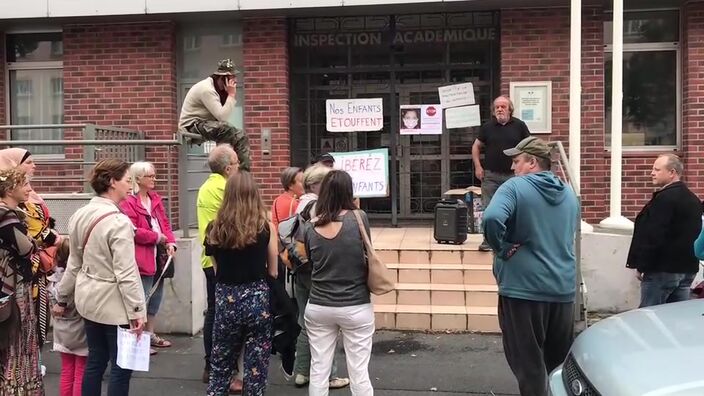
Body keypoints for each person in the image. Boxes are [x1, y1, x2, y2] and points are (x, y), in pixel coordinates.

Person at [483, 136, 579, 396]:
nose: (513, 168)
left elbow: (491, 218)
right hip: (562, 289)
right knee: (557, 367)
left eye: (516, 161)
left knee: (529, 366)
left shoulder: (514, 187)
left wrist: (500, 248)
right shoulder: (570, 193)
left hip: (523, 290)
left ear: (532, 162)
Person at [54, 159, 146, 396]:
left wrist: (62, 297)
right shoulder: (119, 222)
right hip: (115, 305)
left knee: (95, 360)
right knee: (121, 366)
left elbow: (74, 262)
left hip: (87, 299)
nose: (131, 186)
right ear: (112, 182)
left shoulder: (80, 214)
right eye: (127, 180)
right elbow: (126, 272)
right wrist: (137, 311)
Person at [204, 171, 278, 396]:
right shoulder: (265, 228)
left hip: (227, 298)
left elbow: (216, 270)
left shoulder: (214, 228)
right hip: (257, 298)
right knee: (256, 368)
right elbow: (273, 271)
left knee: (221, 363)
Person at [303, 170, 374, 396]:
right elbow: (367, 252)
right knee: (359, 371)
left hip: (319, 305)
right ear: (348, 192)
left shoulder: (310, 226)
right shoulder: (359, 218)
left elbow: (311, 261)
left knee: (319, 368)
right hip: (356, 304)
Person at [292, 164, 350, 390]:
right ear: (317, 184)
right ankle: (330, 375)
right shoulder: (317, 206)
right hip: (316, 271)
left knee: (306, 323)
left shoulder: (300, 203)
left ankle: (301, 371)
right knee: (326, 328)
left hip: (299, 269)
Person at [0, 148, 60, 347]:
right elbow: (29, 241)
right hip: (18, 277)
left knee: (32, 326)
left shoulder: (26, 198)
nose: (34, 166)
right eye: (28, 162)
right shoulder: (9, 211)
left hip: (33, 272)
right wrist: (54, 240)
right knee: (19, 332)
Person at [196, 144, 244, 392]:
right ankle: (220, 369)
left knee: (214, 312)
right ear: (228, 168)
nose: (239, 167)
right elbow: (239, 218)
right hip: (222, 261)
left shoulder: (207, 186)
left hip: (209, 258)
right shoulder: (224, 187)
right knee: (222, 316)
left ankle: (211, 366)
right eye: (237, 163)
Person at [627, 154, 702, 308]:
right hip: (687, 269)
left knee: (649, 317)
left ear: (672, 172)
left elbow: (654, 234)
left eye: (657, 169)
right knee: (676, 320)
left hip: (662, 270)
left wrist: (642, 265)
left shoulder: (664, 199)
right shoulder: (693, 199)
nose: (652, 172)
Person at [120, 161, 177, 354]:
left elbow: (165, 224)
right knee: (141, 297)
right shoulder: (128, 202)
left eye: (154, 175)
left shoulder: (155, 199)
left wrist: (170, 241)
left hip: (159, 256)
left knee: (156, 297)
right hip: (143, 256)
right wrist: (157, 237)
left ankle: (149, 334)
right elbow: (134, 231)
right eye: (150, 176)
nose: (154, 179)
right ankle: (139, 337)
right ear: (138, 179)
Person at [0, 168, 41, 395]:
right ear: (9, 188)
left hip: (6, 286)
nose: (29, 189)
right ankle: (17, 389)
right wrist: (34, 242)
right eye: (24, 184)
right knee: (17, 341)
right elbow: (26, 249)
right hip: (15, 289)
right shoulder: (8, 217)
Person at [472, 96, 531, 251]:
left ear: (509, 109)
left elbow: (529, 147)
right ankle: (488, 241)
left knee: (513, 208)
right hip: (490, 176)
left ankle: (510, 240)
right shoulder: (487, 127)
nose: (499, 109)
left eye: (503, 107)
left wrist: (524, 168)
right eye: (497, 107)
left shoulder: (519, 126)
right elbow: (476, 146)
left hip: (513, 176)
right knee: (489, 209)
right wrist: (478, 166)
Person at [179, 58, 251, 171]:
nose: (235, 82)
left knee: (241, 136)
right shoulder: (207, 89)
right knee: (226, 128)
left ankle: (243, 174)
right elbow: (222, 116)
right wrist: (231, 95)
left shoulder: (219, 90)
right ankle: (225, 168)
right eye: (231, 78)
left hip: (207, 124)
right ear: (223, 79)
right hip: (192, 126)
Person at [49, 238, 88, 396]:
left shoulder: (52, 280)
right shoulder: (78, 280)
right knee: (81, 372)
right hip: (80, 329)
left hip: (61, 331)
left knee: (66, 371)